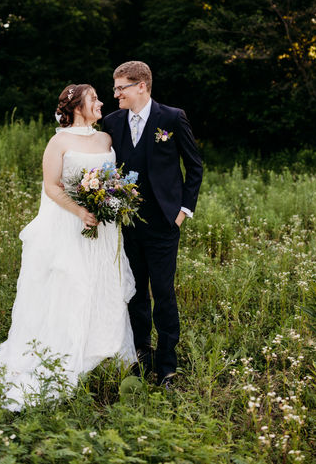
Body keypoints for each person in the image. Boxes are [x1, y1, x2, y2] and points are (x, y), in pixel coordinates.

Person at [0, 84, 136, 411]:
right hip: (70, 224)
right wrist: (82, 210)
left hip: (104, 227)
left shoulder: (106, 139)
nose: (101, 103)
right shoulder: (59, 141)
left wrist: (112, 200)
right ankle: (64, 352)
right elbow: (52, 186)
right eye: (94, 99)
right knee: (73, 284)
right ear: (78, 106)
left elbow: (113, 178)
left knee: (102, 283)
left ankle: (102, 347)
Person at [102, 61, 203, 387]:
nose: (116, 94)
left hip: (163, 222)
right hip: (127, 223)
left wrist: (183, 210)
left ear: (141, 86)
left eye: (121, 88)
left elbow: (194, 165)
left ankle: (168, 365)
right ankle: (141, 354)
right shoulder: (113, 122)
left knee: (163, 291)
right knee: (135, 293)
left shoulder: (171, 118)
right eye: (115, 88)